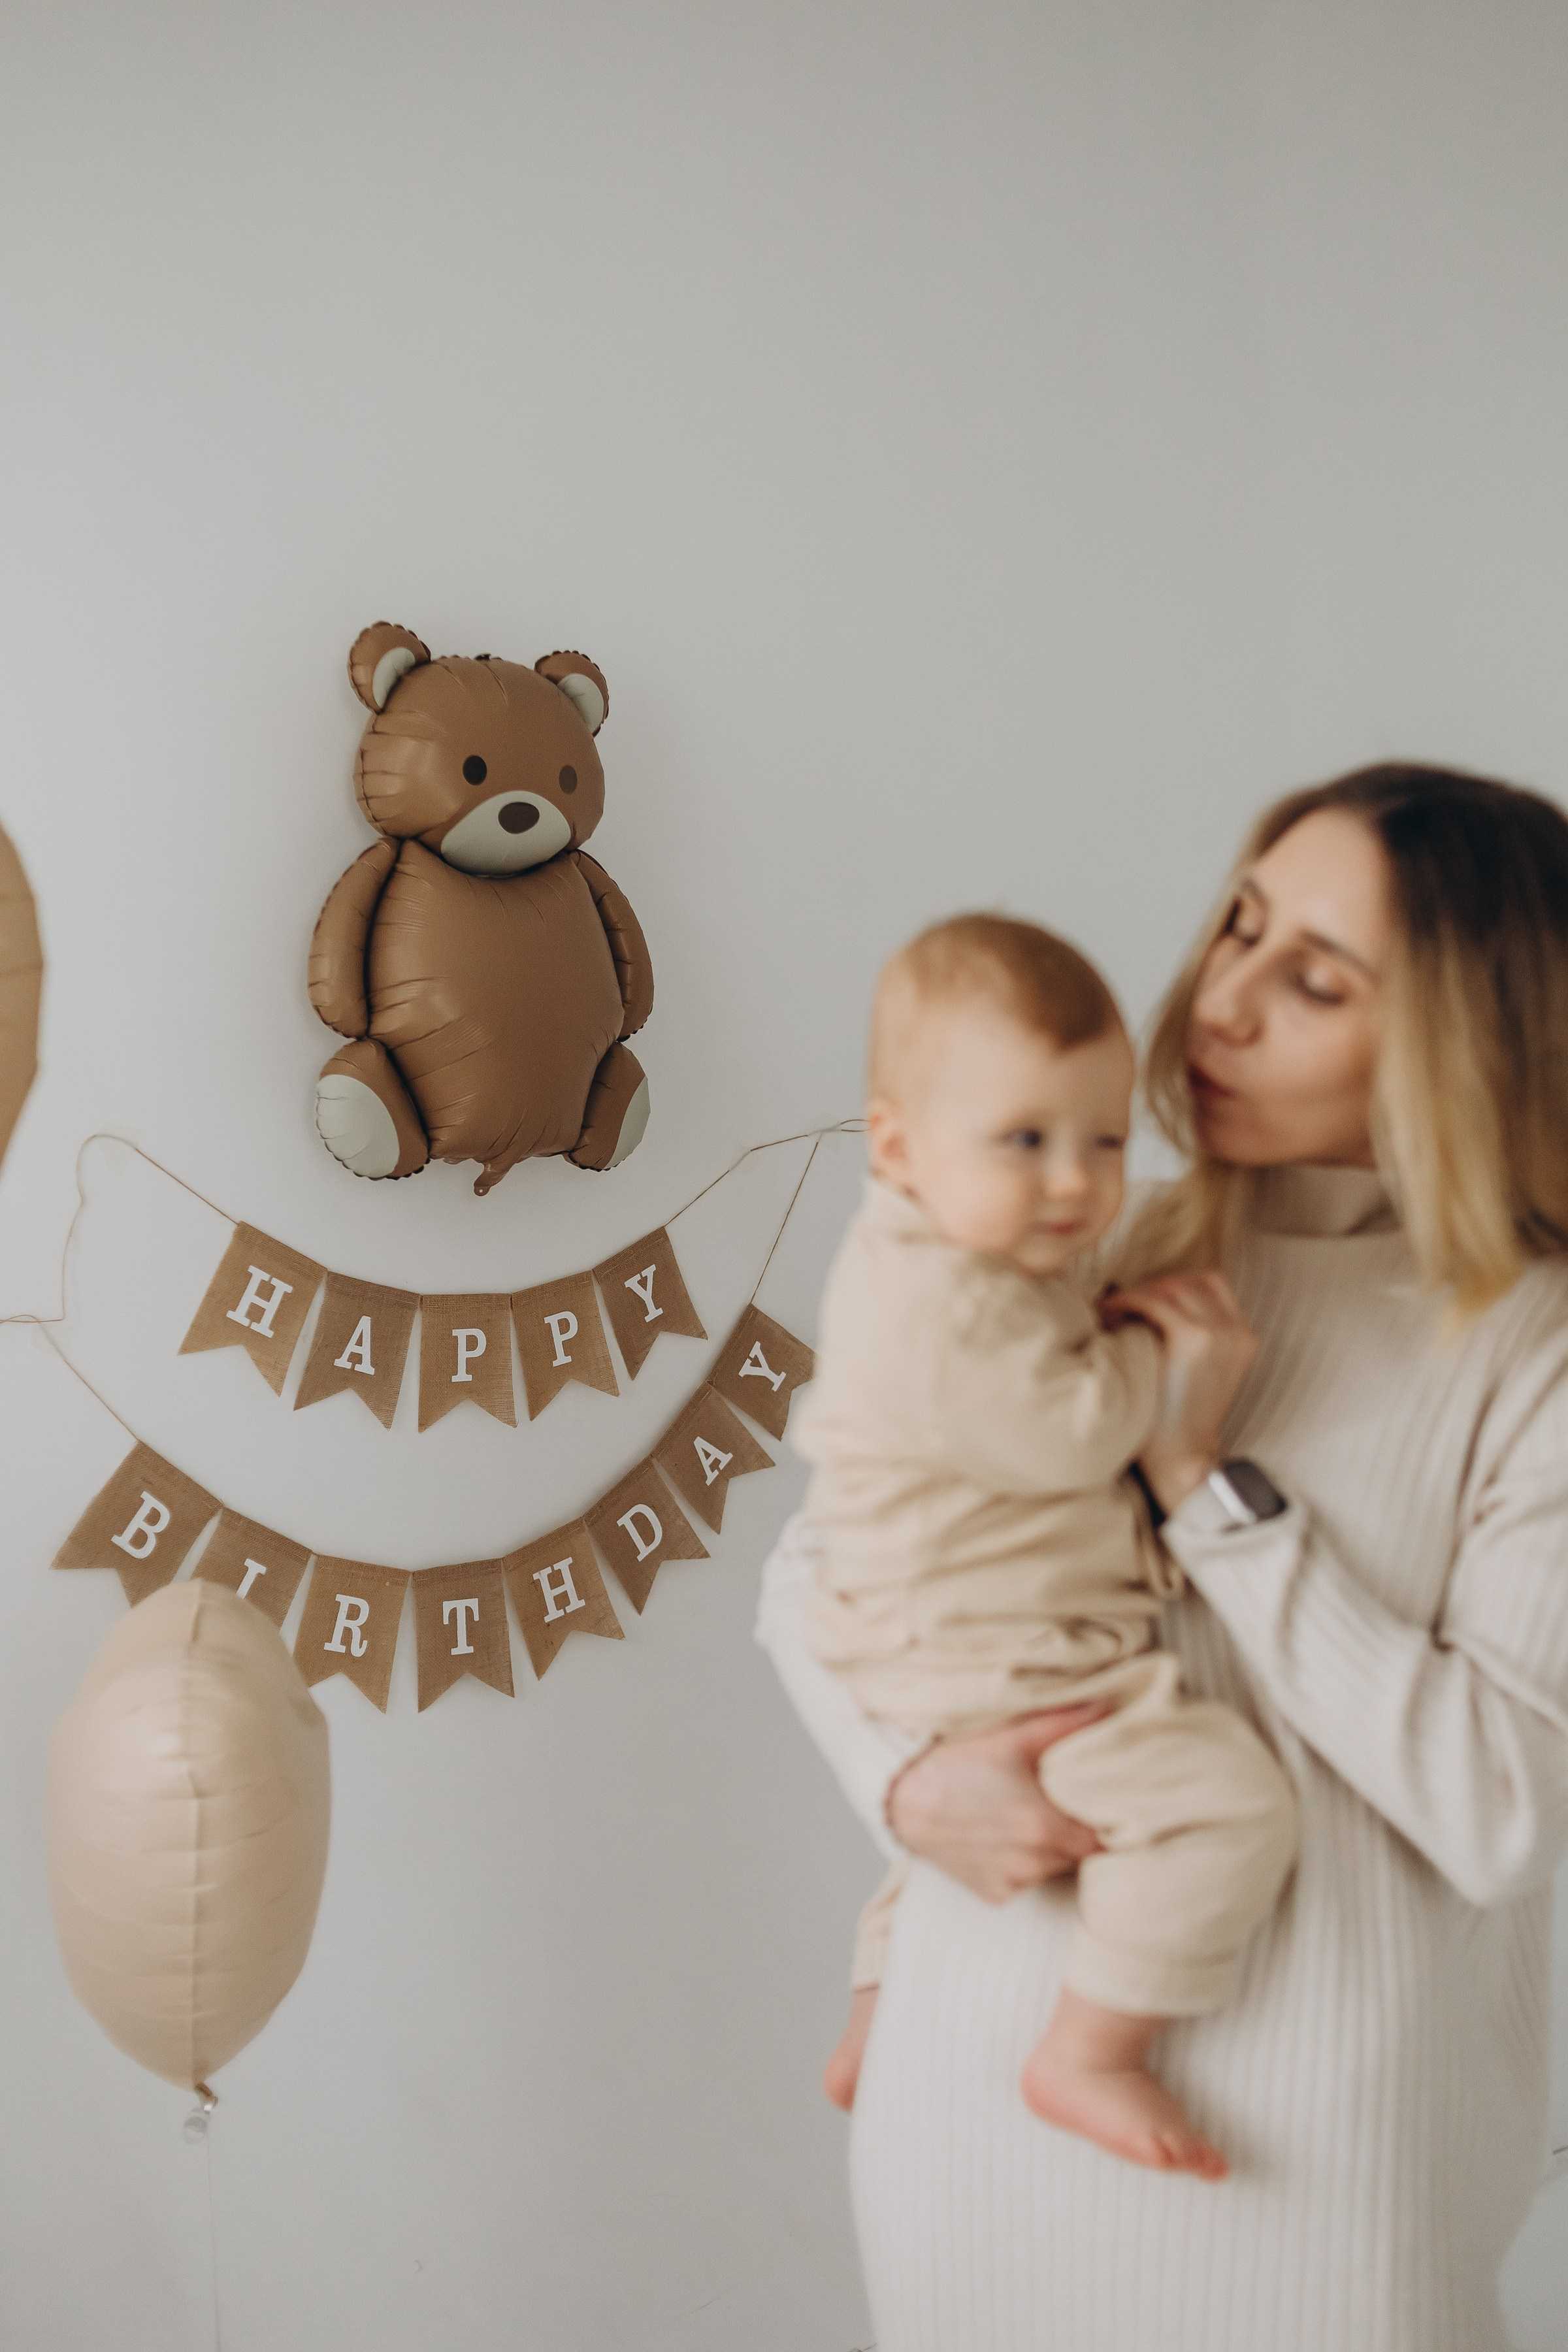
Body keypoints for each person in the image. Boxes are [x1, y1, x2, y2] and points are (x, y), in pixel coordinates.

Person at [757, 764, 1568, 2352]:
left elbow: (1505, 1811)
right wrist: (910, 1781)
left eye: (1314, 979)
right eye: (1243, 923)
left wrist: (1209, 1490)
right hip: (973, 2096)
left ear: (1469, 1049)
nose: (1220, 995)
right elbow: (820, 1570)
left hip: (1325, 2167)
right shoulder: (1095, 1233)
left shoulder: (1534, 1353)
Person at [796, 913, 1296, 2176]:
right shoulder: (945, 1298)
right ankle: (1093, 2049)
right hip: (985, 1649)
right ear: (898, 1145)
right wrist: (1154, 1360)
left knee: (940, 1858)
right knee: (1225, 1804)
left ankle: (872, 2019)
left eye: (1105, 1139)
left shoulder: (968, 1255)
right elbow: (1073, 1430)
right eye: (1025, 1141)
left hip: (938, 1632)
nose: (1076, 1183)